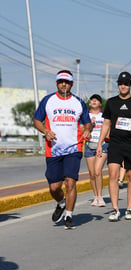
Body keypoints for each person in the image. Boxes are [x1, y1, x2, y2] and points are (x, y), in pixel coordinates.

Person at [33, 70, 92, 229]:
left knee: (70, 182)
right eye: (60, 81)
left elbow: (87, 123)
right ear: (57, 83)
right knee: (54, 187)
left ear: (71, 84)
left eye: (66, 82)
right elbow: (37, 120)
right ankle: (61, 203)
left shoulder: (79, 102)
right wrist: (45, 131)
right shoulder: (48, 100)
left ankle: (69, 216)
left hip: (74, 148)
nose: (63, 84)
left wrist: (87, 130)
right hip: (53, 149)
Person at [96, 71, 131, 221]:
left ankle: (130, 209)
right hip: (115, 143)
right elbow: (106, 123)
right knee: (113, 174)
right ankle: (114, 209)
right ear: (118, 85)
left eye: (126, 84)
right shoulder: (111, 102)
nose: (123, 86)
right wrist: (100, 143)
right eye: (121, 84)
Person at [85, 94, 107, 207]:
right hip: (89, 145)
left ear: (100, 103)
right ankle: (95, 196)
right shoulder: (86, 115)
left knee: (98, 171)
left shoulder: (104, 115)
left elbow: (108, 128)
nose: (93, 101)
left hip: (102, 145)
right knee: (92, 173)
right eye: (92, 100)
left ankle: (100, 196)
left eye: (96, 100)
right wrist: (89, 126)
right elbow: (82, 130)